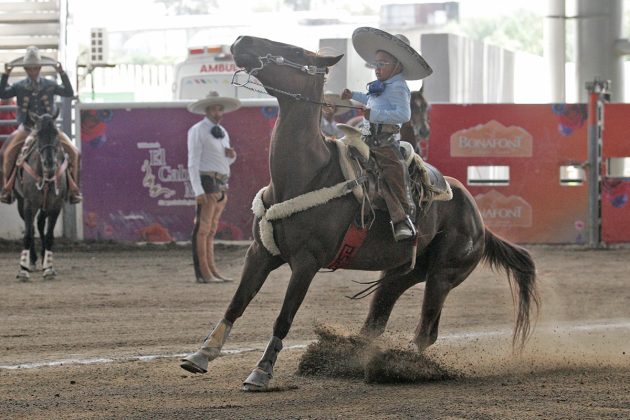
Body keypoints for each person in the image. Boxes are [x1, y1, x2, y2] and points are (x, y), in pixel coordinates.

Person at [341, 28, 432, 241]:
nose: (377, 69)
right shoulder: (382, 85)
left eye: (382, 65)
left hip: (385, 142)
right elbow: (370, 100)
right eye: (376, 65)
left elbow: (404, 113)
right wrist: (352, 95)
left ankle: (402, 219)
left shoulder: (399, 88)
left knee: (391, 174)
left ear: (398, 66)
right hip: (366, 136)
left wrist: (375, 114)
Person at [0, 46, 80, 204]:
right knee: (5, 154)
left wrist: (62, 73)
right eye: (30, 68)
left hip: (49, 130)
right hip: (27, 128)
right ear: (25, 69)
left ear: (40, 68)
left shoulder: (49, 85)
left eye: (35, 68)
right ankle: (7, 189)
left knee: (74, 152)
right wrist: (5, 75)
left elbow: (68, 92)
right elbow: (2, 94)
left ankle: (73, 190)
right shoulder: (19, 86)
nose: (33, 71)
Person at [187, 91, 241, 283]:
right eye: (214, 108)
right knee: (203, 229)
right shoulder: (197, 130)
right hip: (207, 182)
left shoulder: (222, 132)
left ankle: (211, 270)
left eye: (220, 108)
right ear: (207, 110)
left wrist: (231, 155)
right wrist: (198, 190)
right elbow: (193, 162)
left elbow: (224, 161)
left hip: (220, 183)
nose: (218, 112)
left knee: (210, 230)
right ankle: (204, 272)